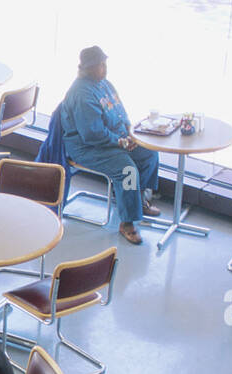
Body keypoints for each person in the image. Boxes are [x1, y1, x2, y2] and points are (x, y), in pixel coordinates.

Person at [59, 46, 161, 245]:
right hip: (89, 147)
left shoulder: (105, 84)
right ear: (88, 68)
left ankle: (139, 200)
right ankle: (128, 222)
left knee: (149, 153)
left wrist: (131, 134)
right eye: (100, 65)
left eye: (105, 64)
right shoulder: (82, 94)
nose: (104, 69)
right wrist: (121, 142)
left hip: (116, 138)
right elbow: (92, 133)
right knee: (127, 170)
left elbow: (121, 112)